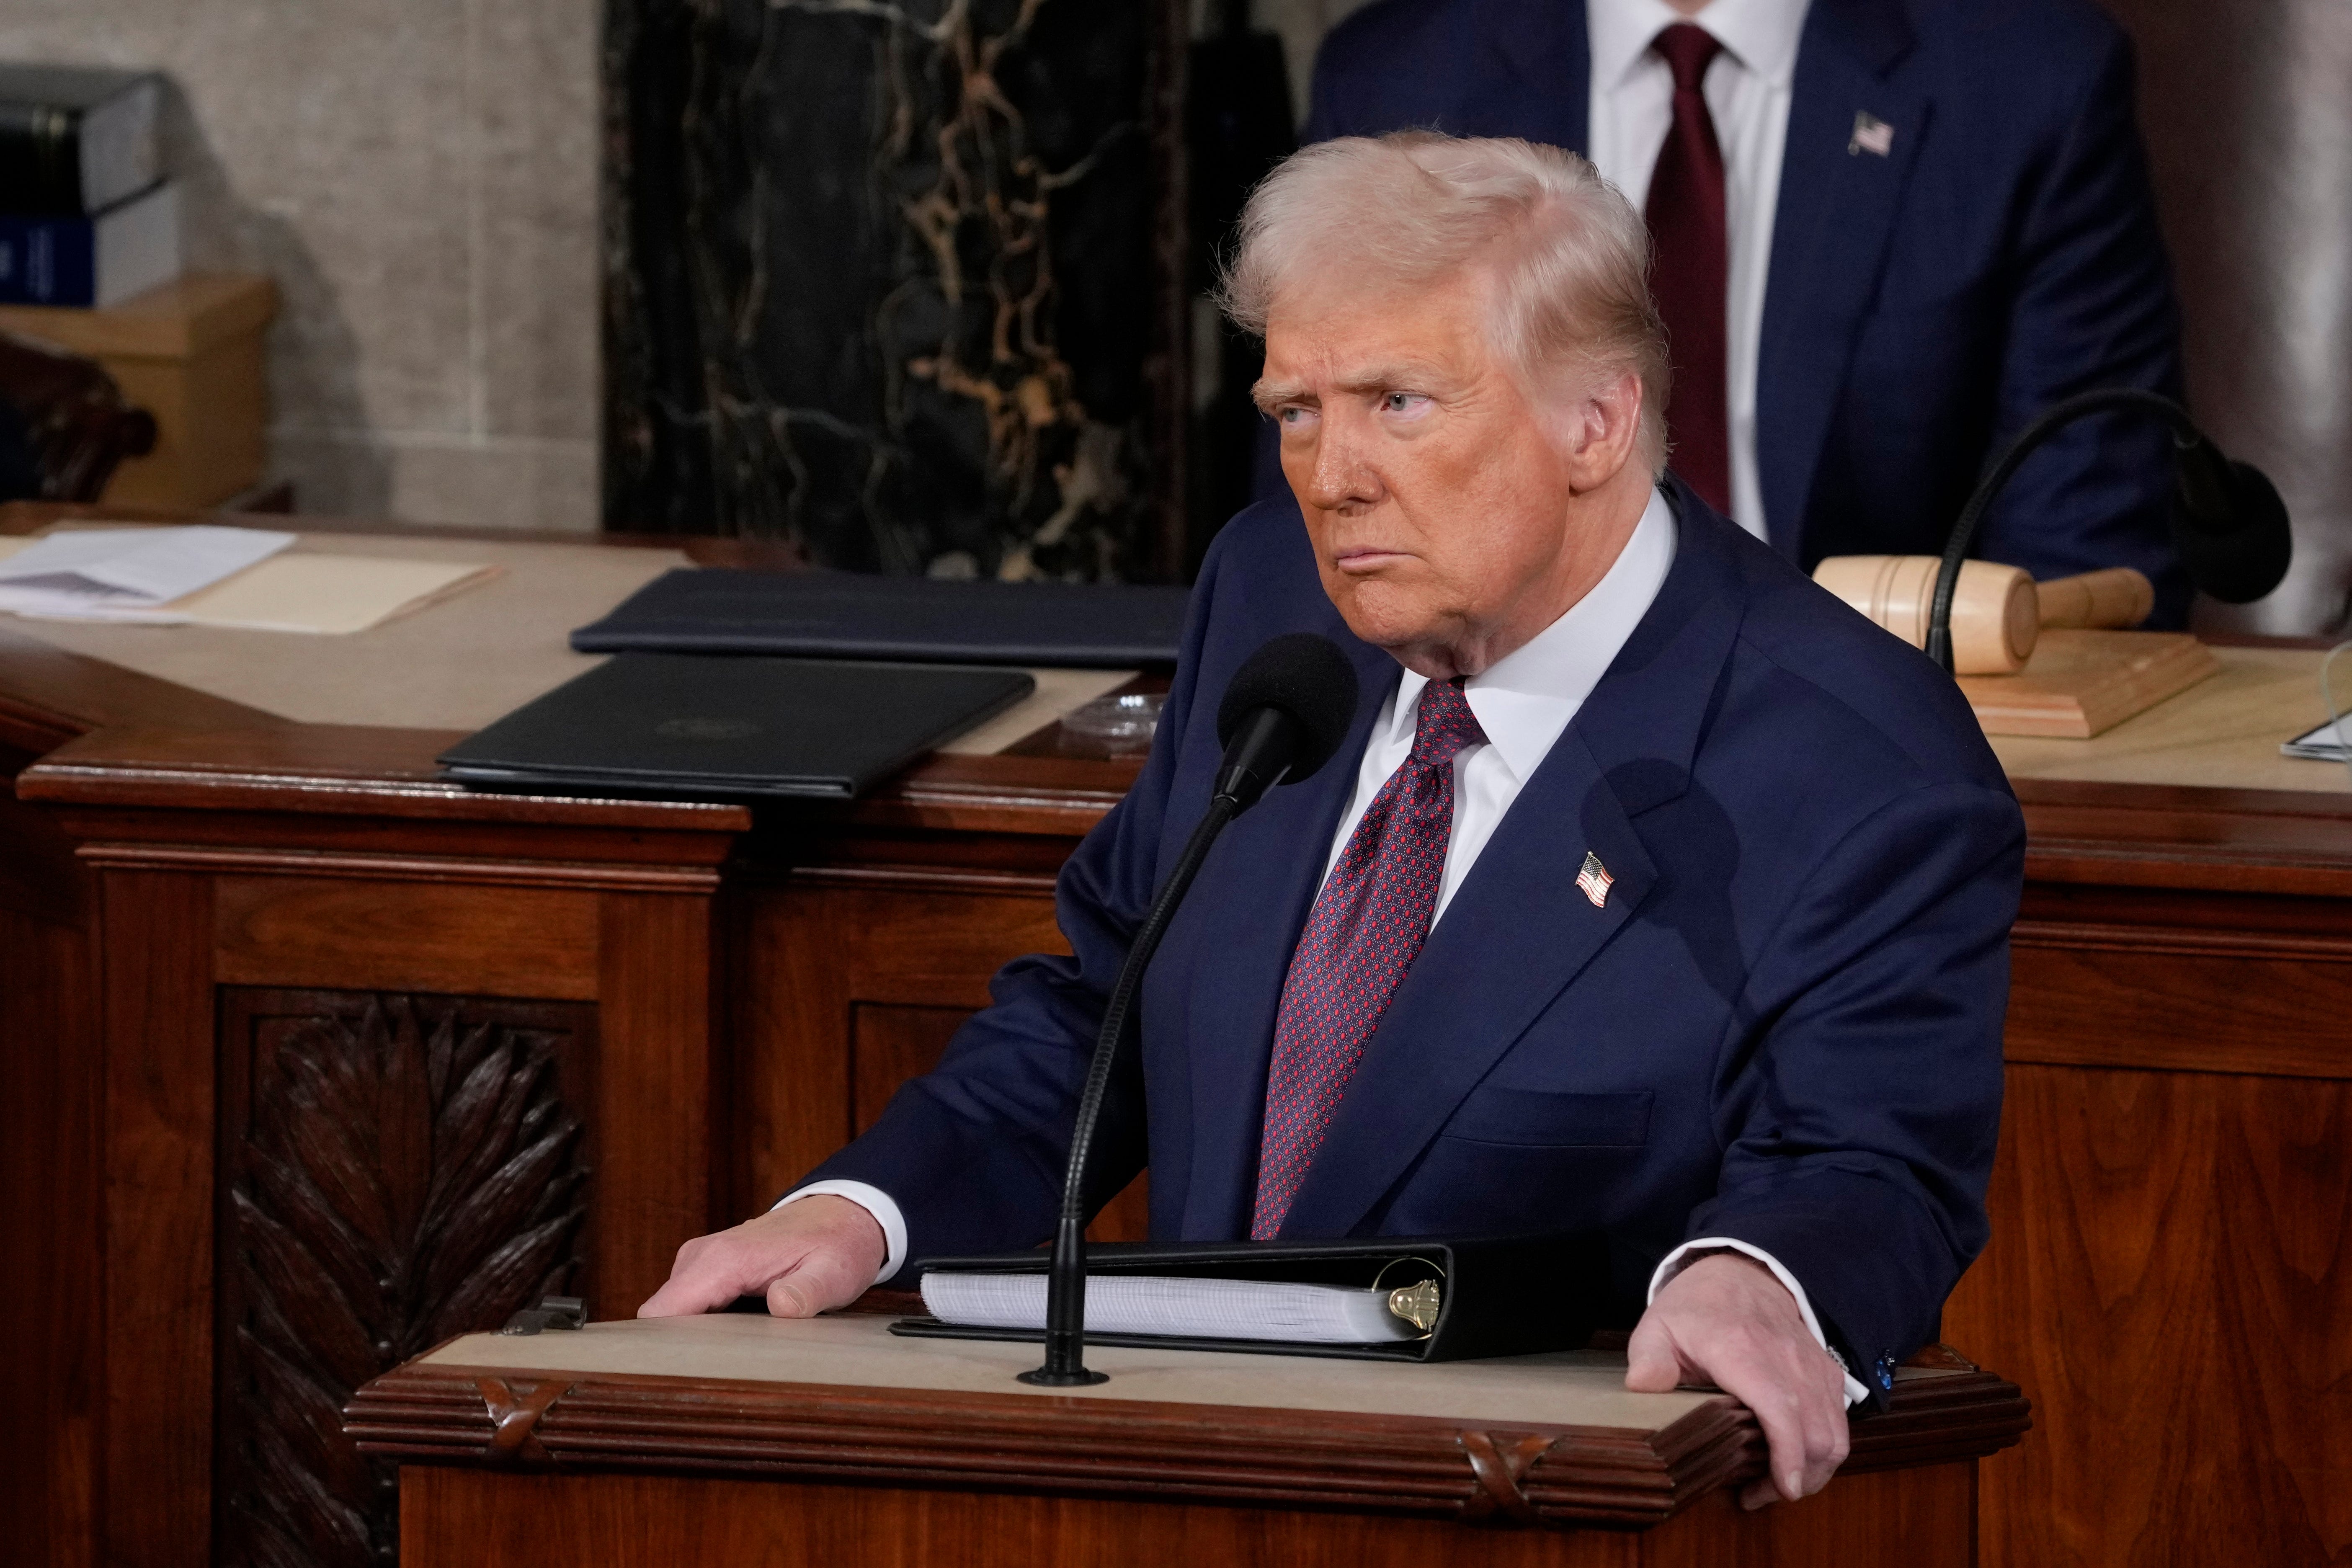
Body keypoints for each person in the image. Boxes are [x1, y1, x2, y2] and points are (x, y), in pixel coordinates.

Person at [643, 133, 2024, 1512]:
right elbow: (1107, 1001)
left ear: (1594, 423)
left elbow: (1863, 1158)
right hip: (1173, 1494)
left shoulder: (1857, 762)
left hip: (1528, 1516)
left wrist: (1755, 1277)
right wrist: (863, 1209)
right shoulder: (1273, 603)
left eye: (1396, 402)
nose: (1329, 475)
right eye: (1294, 408)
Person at [1277, 0, 2190, 621]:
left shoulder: (2027, 77)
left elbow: (2085, 546)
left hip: (1868, 750)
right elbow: (1321, 502)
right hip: (1500, 721)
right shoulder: (1399, 73)